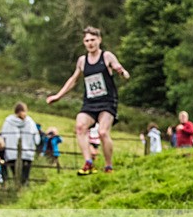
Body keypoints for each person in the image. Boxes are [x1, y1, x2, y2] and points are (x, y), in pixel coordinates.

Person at [46, 26, 130, 175]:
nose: (90, 43)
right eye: (87, 41)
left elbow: (123, 72)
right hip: (90, 102)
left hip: (107, 101)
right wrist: (58, 96)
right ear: (84, 43)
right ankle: (88, 162)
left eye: (93, 40)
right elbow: (74, 79)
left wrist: (121, 72)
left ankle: (108, 166)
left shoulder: (107, 56)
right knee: (80, 126)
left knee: (103, 132)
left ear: (99, 40)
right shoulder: (82, 61)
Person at [1, 102, 40, 186]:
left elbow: (3, 135)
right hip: (27, 153)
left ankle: (17, 187)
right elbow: (36, 137)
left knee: (16, 174)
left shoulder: (8, 121)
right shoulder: (30, 122)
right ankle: (23, 189)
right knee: (25, 176)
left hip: (11, 153)